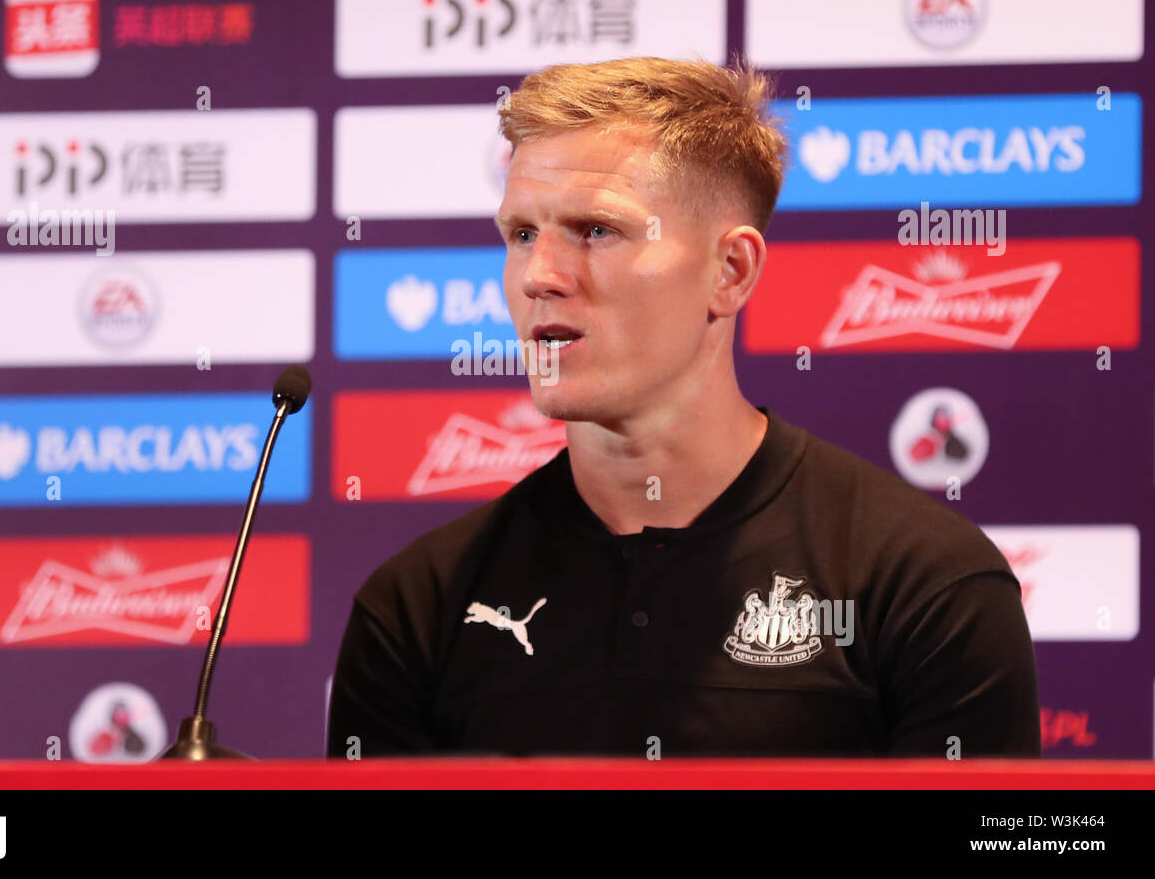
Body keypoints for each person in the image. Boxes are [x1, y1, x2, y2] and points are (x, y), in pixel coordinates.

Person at [326, 56, 1040, 758]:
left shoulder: (926, 585)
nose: (540, 275)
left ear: (730, 271)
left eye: (597, 230)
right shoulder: (416, 608)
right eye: (521, 234)